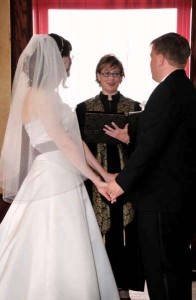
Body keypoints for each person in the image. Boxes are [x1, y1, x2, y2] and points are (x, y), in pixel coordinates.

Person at [0, 34, 120, 300]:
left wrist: (103, 173)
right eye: (69, 57)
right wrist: (95, 181)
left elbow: (76, 141)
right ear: (57, 58)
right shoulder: (38, 95)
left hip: (65, 173)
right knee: (53, 239)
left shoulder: (51, 95)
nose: (70, 63)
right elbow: (64, 143)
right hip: (53, 175)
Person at [105, 32, 196, 300]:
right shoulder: (185, 89)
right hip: (180, 199)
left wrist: (119, 184)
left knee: (162, 272)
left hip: (162, 200)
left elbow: (150, 151)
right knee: (176, 269)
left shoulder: (166, 92)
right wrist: (131, 137)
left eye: (150, 57)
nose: (149, 62)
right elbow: (168, 143)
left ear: (159, 58)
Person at [76, 54, 143, 299]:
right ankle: (99, 286)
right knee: (99, 231)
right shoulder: (83, 108)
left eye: (116, 73)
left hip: (126, 180)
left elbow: (144, 146)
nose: (111, 78)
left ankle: (123, 287)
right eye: (106, 73)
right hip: (96, 179)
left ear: (122, 77)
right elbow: (76, 146)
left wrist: (129, 139)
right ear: (97, 76)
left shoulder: (134, 107)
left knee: (124, 231)